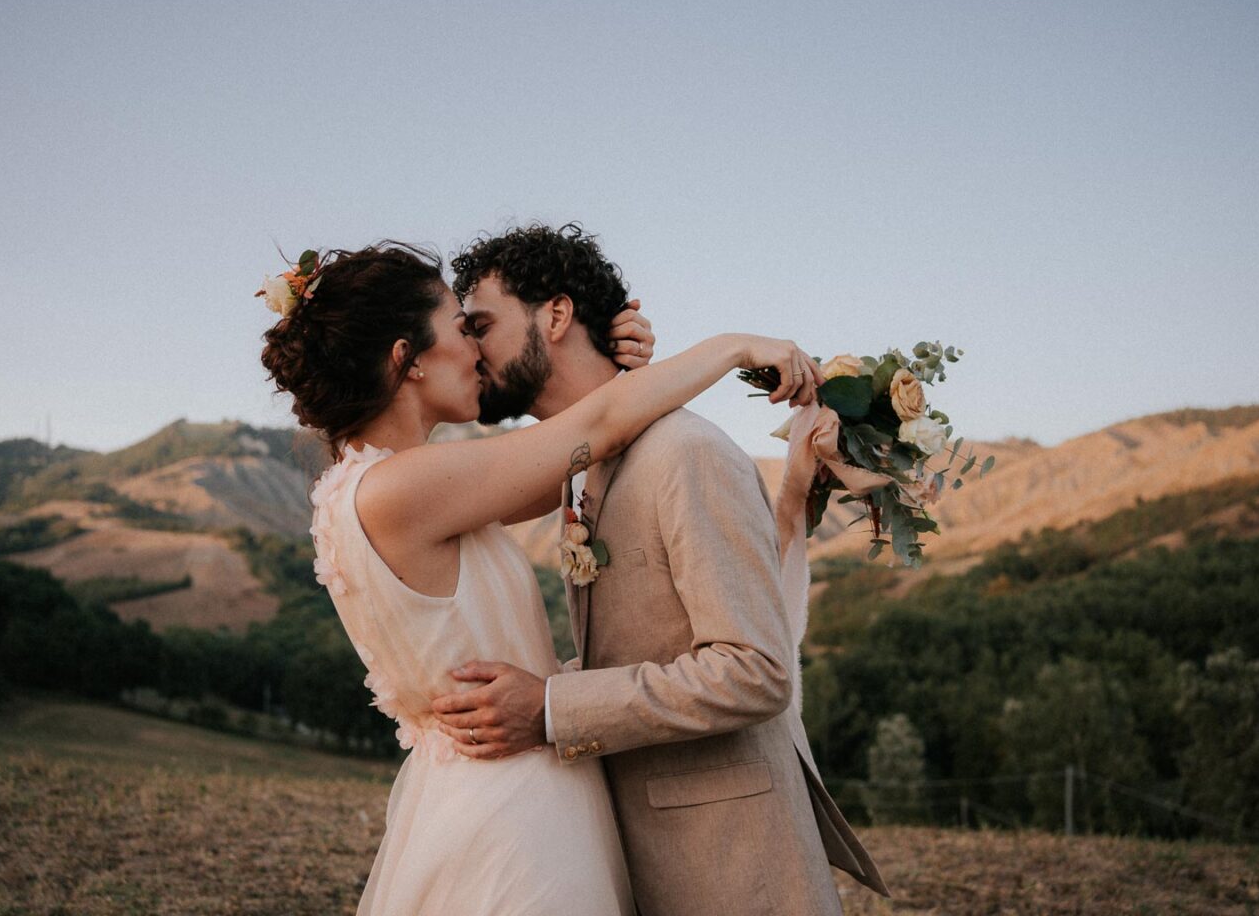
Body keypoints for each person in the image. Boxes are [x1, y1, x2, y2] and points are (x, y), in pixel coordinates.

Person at [258, 239, 823, 916]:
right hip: (515, 821)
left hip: (516, 799)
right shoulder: (400, 489)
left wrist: (615, 368)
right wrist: (733, 346)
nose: (473, 349)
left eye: (480, 326)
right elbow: (602, 426)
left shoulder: (405, 488)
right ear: (406, 362)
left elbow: (589, 448)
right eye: (460, 329)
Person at [431, 223, 889, 915]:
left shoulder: (685, 454)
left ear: (555, 316)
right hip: (635, 860)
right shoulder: (580, 469)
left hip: (734, 872)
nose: (470, 349)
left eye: (482, 325)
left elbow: (756, 670)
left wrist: (551, 707)